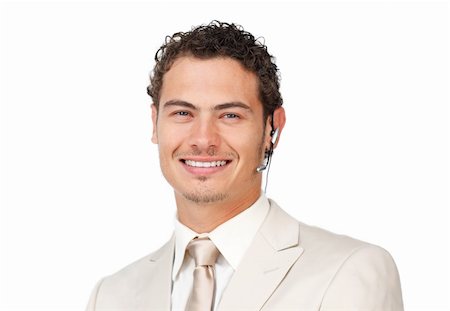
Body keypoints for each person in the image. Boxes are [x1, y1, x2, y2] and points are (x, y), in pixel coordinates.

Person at [86, 21, 403, 311]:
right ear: (155, 123)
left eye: (230, 115)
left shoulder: (349, 272)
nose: (203, 139)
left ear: (272, 129)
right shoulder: (112, 296)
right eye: (183, 113)